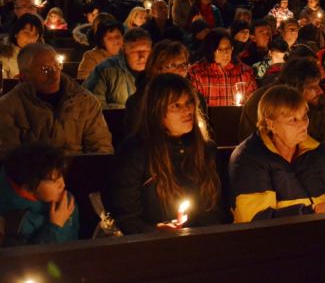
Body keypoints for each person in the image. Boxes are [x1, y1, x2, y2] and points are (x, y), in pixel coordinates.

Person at [108, 74, 223, 234]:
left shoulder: (204, 149)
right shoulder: (136, 152)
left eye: (189, 102)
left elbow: (213, 209)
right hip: (151, 247)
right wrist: (155, 232)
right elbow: (126, 216)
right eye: (176, 106)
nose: (187, 110)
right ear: (157, 111)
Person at [228, 85, 325, 223]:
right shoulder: (249, 159)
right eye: (293, 120)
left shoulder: (317, 152)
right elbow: (255, 221)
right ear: (271, 124)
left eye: (304, 116)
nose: (304, 125)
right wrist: (313, 211)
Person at [0, 43, 113, 155]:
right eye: (45, 69)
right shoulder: (8, 107)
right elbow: (9, 157)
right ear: (24, 76)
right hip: (33, 170)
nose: (54, 74)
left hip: (79, 169)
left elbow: (101, 148)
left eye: (56, 66)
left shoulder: (84, 101)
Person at [0, 144, 79, 246]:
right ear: (28, 188)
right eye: (53, 181)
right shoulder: (13, 221)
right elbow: (27, 259)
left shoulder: (64, 199)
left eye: (60, 175)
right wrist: (55, 226)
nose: (63, 184)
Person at [239, 57, 325, 142]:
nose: (320, 91)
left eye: (318, 85)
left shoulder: (320, 105)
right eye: (311, 87)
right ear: (296, 87)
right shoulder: (263, 103)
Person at [124, 40, 204, 132]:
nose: (182, 69)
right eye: (174, 65)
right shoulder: (140, 102)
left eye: (184, 64)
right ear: (156, 69)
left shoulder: (196, 98)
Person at [83, 27, 152, 109]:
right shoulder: (105, 70)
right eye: (135, 51)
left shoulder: (158, 71)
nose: (142, 57)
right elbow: (92, 106)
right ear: (124, 49)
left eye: (146, 51)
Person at [188, 28, 257, 107]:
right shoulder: (197, 73)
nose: (226, 54)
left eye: (228, 49)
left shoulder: (245, 72)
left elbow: (252, 104)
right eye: (220, 50)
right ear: (211, 50)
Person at [0, 13, 43, 79]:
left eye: (35, 35)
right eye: (26, 33)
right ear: (16, 33)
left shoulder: (41, 56)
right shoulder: (4, 57)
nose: (30, 38)